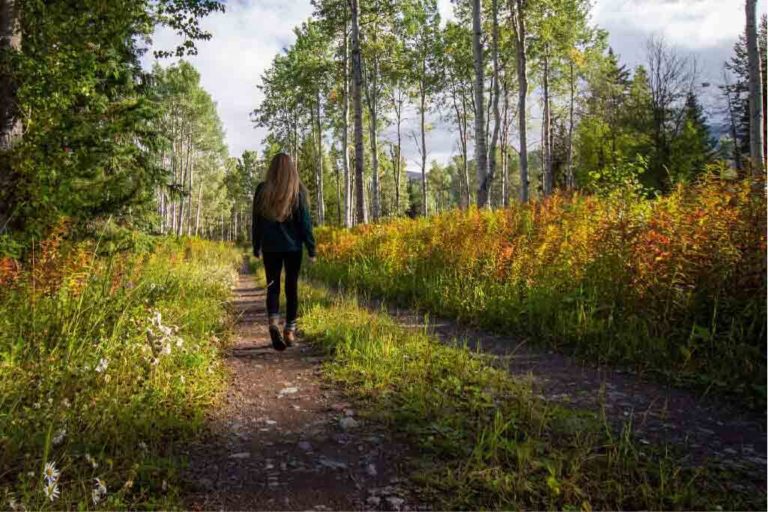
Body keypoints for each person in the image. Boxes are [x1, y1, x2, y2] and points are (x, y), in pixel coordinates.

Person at [252, 153, 316, 351]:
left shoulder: (262, 190)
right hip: (293, 248)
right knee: (291, 287)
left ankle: (273, 324)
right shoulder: (298, 191)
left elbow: (256, 222)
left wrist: (256, 246)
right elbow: (305, 224)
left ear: (271, 169)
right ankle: (289, 330)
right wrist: (311, 248)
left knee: (273, 286)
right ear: (292, 169)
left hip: (271, 247)